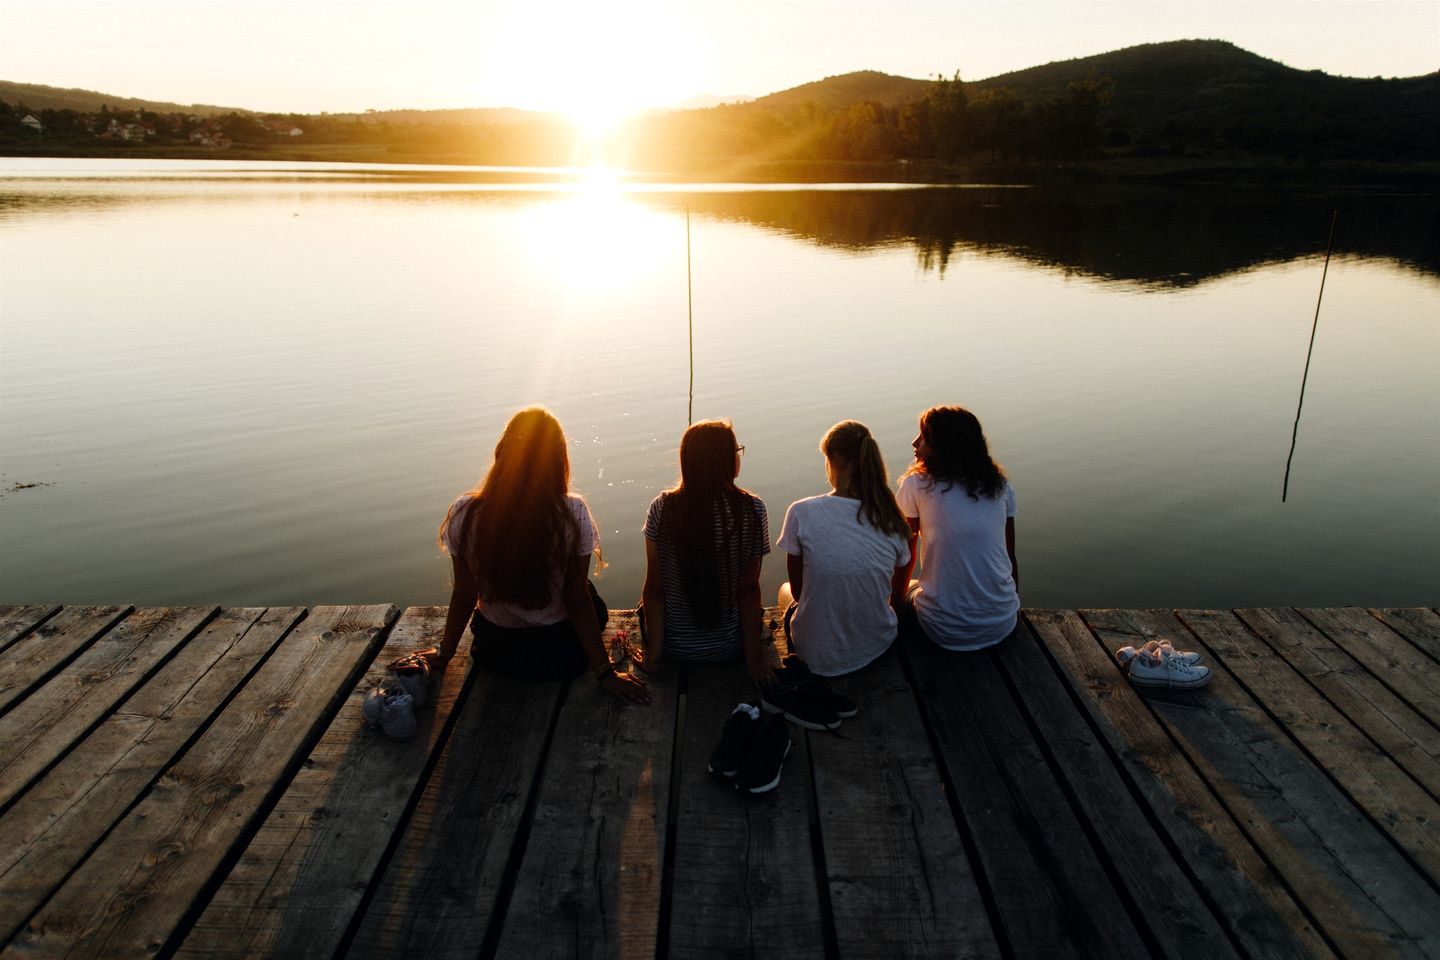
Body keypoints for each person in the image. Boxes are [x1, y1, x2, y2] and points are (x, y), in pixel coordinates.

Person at [428, 407, 648, 704]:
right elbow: (576, 599)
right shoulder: (572, 512)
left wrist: (444, 652)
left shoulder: (465, 512)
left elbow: (465, 592)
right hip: (559, 656)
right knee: (588, 594)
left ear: (501, 452)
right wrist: (605, 673)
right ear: (559, 460)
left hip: (495, 653)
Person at [775, 420, 912, 676]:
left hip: (816, 655)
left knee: (784, 590)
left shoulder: (802, 512)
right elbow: (895, 589)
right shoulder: (891, 517)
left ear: (834, 460)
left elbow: (798, 591)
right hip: (877, 643)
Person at [639, 419, 770, 680]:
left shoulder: (662, 508)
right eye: (736, 451)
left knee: (646, 600)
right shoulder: (753, 510)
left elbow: (655, 588)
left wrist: (654, 656)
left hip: (674, 648)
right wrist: (754, 661)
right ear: (727, 461)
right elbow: (748, 590)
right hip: (729, 648)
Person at [895, 405, 1019, 650]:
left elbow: (904, 557)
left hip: (943, 631)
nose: (914, 443)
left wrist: (894, 611)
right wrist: (1013, 607)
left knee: (912, 586)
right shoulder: (1000, 487)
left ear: (943, 446)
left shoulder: (916, 486)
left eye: (923, 436)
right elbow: (1010, 555)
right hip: (1004, 622)